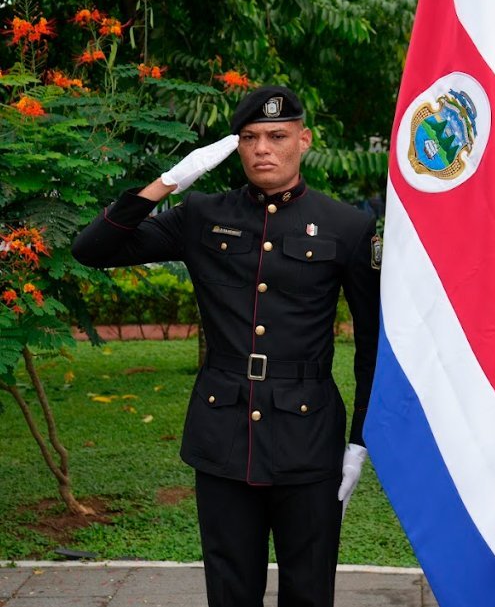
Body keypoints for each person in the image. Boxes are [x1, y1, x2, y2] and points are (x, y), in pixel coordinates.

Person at [72, 85, 381, 607]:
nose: (263, 148)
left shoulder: (347, 226)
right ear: (236, 146)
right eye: (250, 137)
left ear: (303, 140)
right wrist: (170, 181)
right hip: (223, 433)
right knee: (230, 589)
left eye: (277, 136)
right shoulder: (200, 215)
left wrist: (360, 442)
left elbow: (373, 342)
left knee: (309, 590)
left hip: (309, 437)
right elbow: (91, 250)